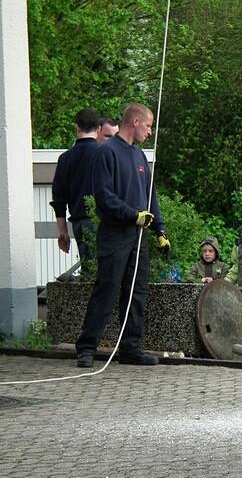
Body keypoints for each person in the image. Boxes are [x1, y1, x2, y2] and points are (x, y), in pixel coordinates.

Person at [75, 103, 171, 367]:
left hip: (139, 238)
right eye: (149, 126)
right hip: (115, 235)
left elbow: (151, 195)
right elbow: (104, 197)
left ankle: (131, 348)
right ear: (136, 122)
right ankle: (86, 348)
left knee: (136, 293)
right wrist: (132, 215)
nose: (150, 132)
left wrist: (160, 230)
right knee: (106, 291)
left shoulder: (139, 157)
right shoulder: (105, 152)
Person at [50, 107, 100, 261]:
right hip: (105, 221)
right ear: (98, 129)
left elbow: (58, 199)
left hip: (80, 221)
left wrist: (63, 232)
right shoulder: (105, 154)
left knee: (89, 270)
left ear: (77, 128)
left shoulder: (65, 158)